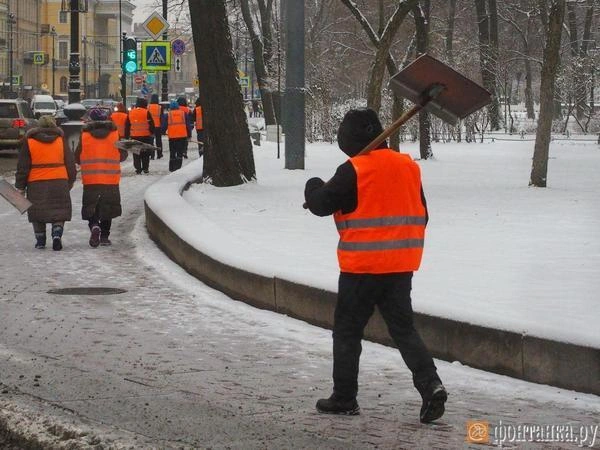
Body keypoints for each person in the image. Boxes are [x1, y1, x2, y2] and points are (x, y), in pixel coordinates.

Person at [303, 108, 447, 423]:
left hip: (361, 270)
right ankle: (430, 384)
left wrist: (312, 185)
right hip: (399, 267)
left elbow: (320, 205)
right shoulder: (408, 167)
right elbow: (422, 213)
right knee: (404, 330)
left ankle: (344, 398)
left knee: (347, 332)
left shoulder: (353, 170)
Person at [15, 115, 76, 251]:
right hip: (59, 181)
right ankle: (56, 234)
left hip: (36, 182)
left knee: (38, 212)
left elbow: (23, 166)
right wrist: (70, 180)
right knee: (59, 210)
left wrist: (20, 186)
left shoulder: (29, 141)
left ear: (37, 127)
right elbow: (70, 162)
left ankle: (40, 240)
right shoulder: (61, 140)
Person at [75, 108, 128, 247]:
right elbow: (123, 155)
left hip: (91, 179)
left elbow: (77, 156)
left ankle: (94, 226)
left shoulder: (85, 135)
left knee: (91, 206)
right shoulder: (115, 134)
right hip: (110, 179)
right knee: (108, 208)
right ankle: (104, 236)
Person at [125, 97, 155, 174]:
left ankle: (138, 168)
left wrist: (127, 136)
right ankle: (145, 168)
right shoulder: (146, 112)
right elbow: (151, 124)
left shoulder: (131, 112)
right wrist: (152, 132)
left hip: (134, 136)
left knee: (136, 153)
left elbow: (127, 125)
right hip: (145, 136)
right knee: (145, 153)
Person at [162, 100, 191, 172]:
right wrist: (189, 135)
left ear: (170, 107)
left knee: (172, 152)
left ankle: (172, 168)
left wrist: (162, 132)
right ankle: (178, 168)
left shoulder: (168, 115)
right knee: (180, 153)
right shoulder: (183, 114)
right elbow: (188, 125)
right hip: (182, 137)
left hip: (172, 137)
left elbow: (164, 126)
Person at [148, 94, 164, 159]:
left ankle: (152, 155)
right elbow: (161, 117)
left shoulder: (148, 107)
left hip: (151, 127)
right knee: (158, 141)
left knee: (151, 141)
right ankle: (159, 154)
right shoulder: (160, 107)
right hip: (158, 126)